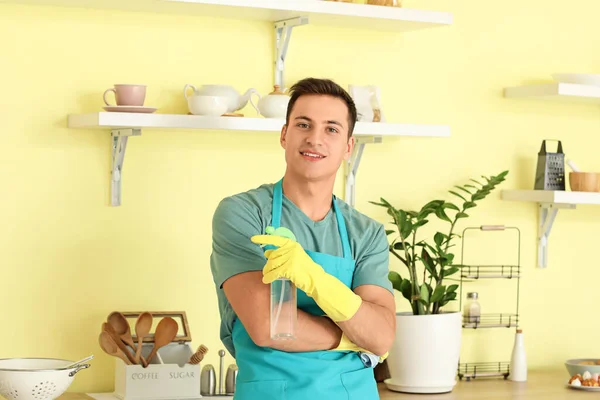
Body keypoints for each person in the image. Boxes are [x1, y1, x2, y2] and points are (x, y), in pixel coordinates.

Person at [209, 77, 396, 400]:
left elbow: (380, 336)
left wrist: (314, 280)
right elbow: (268, 326)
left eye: (331, 129)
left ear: (348, 146)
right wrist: (351, 336)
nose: (315, 139)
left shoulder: (366, 233)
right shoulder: (244, 213)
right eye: (303, 124)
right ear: (284, 134)